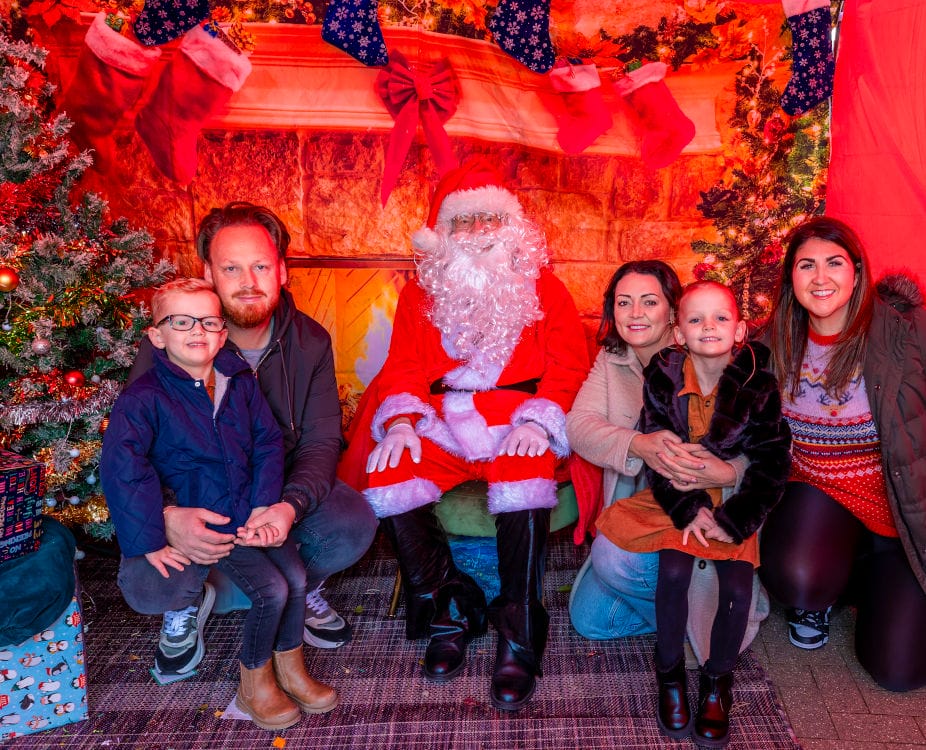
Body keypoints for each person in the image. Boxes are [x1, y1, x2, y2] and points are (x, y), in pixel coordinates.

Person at [352, 158, 588, 710]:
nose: (480, 233)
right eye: (465, 222)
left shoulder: (546, 289)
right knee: (388, 466)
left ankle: (519, 629)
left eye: (490, 220)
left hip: (520, 415)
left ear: (511, 228)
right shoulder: (420, 295)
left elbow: (570, 366)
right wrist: (403, 422)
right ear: (445, 233)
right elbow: (403, 365)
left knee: (526, 469)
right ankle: (447, 607)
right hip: (444, 419)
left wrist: (538, 419)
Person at [128, 202, 379, 675]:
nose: (248, 281)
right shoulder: (171, 341)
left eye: (261, 265)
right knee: (149, 582)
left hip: (270, 490)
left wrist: (290, 506)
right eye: (231, 267)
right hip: (194, 494)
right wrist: (166, 515)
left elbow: (323, 442)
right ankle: (188, 603)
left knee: (352, 521)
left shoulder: (310, 342)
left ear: (282, 270)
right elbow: (132, 451)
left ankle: (301, 588)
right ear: (208, 273)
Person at [101, 279, 337, 730]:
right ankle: (254, 686)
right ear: (157, 336)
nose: (197, 331)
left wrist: (265, 506)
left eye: (209, 322)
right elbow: (123, 469)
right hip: (208, 520)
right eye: (181, 321)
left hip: (246, 509)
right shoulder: (144, 397)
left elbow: (268, 441)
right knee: (271, 590)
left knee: (295, 575)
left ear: (223, 332)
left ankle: (290, 668)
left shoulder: (237, 381)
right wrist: (148, 538)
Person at [598, 281, 790, 746]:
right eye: (696, 319)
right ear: (678, 331)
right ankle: (669, 674)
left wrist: (733, 519)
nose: (709, 327)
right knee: (674, 576)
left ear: (741, 328)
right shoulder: (663, 378)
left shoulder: (758, 384)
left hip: (734, 505)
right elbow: (659, 456)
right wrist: (688, 510)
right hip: (677, 498)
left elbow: (771, 458)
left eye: (721, 318)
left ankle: (718, 680)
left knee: (737, 588)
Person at [566, 262, 767, 664]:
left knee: (612, 557)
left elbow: (770, 445)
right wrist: (639, 444)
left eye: (649, 302)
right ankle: (691, 621)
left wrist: (729, 471)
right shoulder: (613, 361)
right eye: (624, 303)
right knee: (590, 620)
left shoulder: (712, 356)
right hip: (642, 507)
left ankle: (711, 617)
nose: (635, 313)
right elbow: (578, 426)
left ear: (672, 312)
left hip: (702, 517)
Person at [758, 216, 926, 692]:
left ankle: (871, 580)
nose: (820, 277)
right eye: (805, 265)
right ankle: (823, 588)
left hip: (900, 512)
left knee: (899, 673)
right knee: (798, 579)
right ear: (791, 277)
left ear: (856, 270)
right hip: (818, 497)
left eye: (833, 263)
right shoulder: (774, 341)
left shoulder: (905, 333)